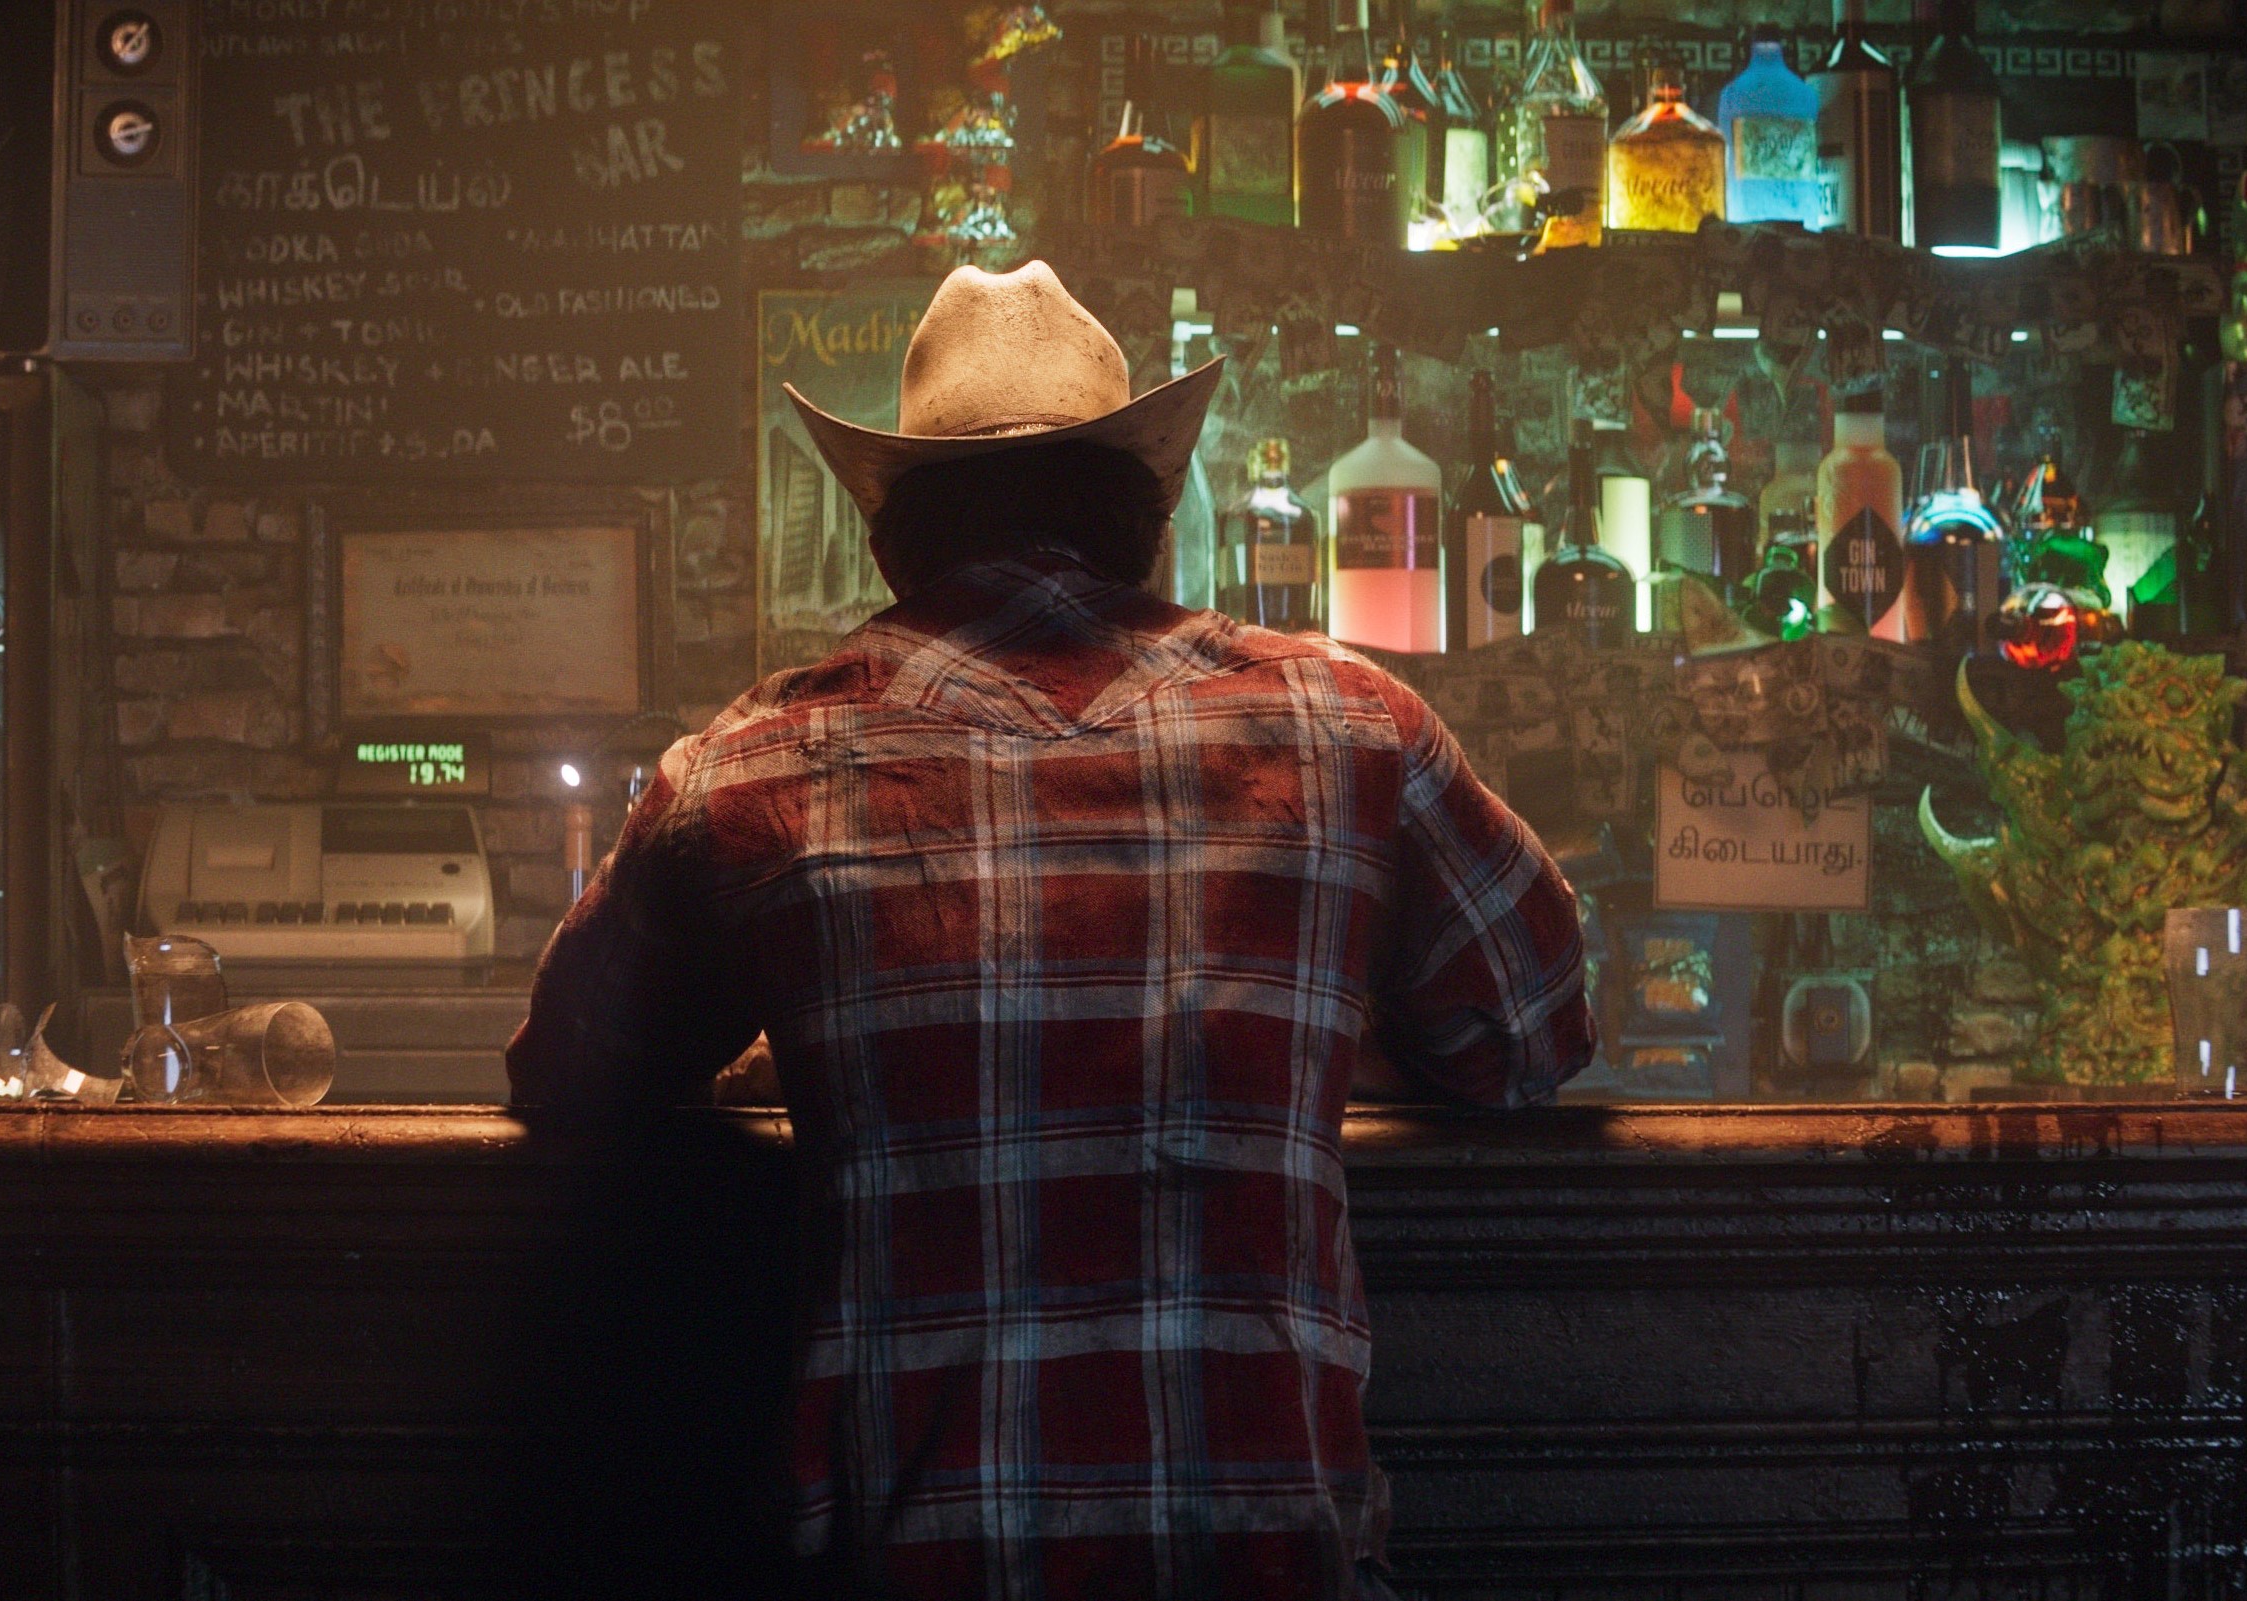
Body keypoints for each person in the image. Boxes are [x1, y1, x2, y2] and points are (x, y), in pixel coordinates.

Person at [511, 261, 1594, 1600]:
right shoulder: (1347, 723)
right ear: (1141, 518)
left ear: (890, 536)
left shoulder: (745, 766)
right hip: (1269, 1567)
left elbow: (567, 1071)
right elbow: (1531, 1035)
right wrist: (1297, 1030)